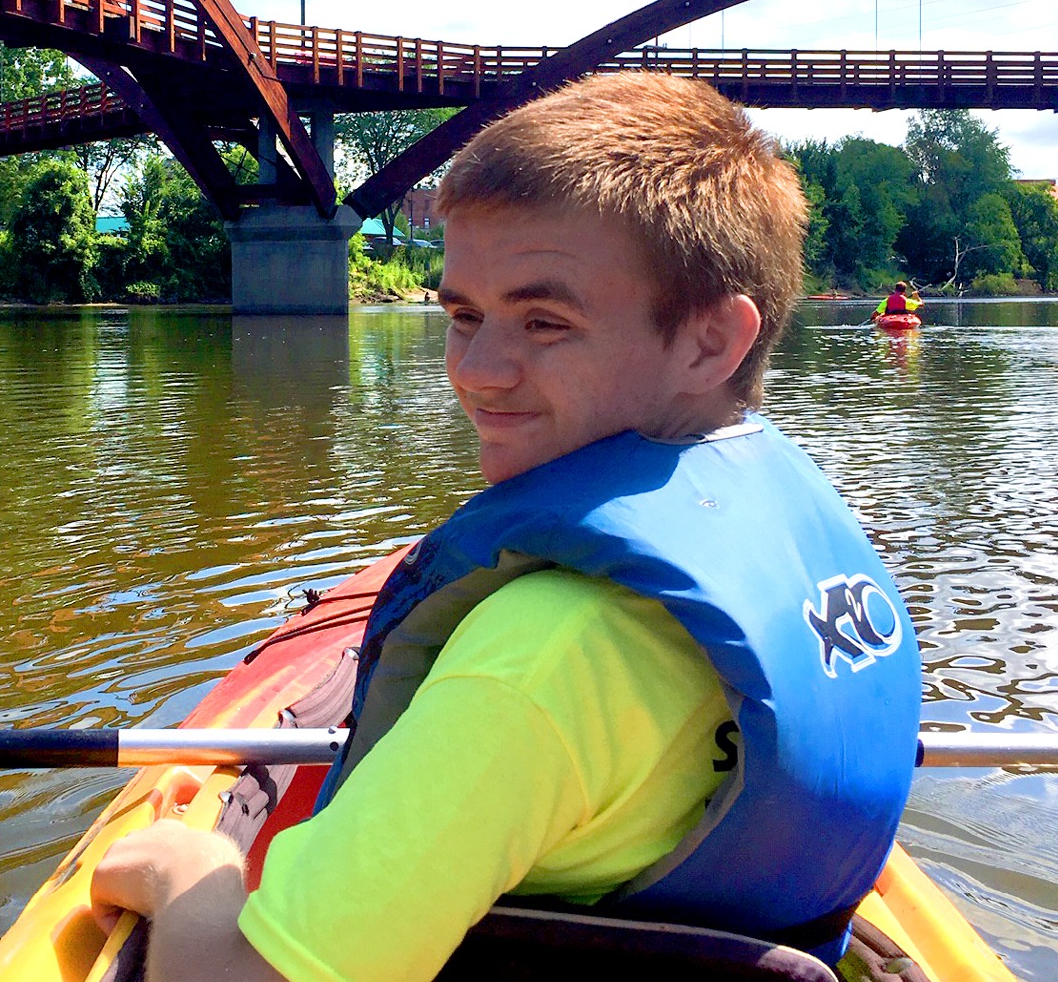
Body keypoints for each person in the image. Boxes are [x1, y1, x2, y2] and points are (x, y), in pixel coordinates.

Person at [89, 73, 922, 982]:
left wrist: (188, 868)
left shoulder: (543, 656)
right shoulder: (799, 530)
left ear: (709, 341)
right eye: (464, 315)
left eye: (544, 320)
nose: (479, 372)